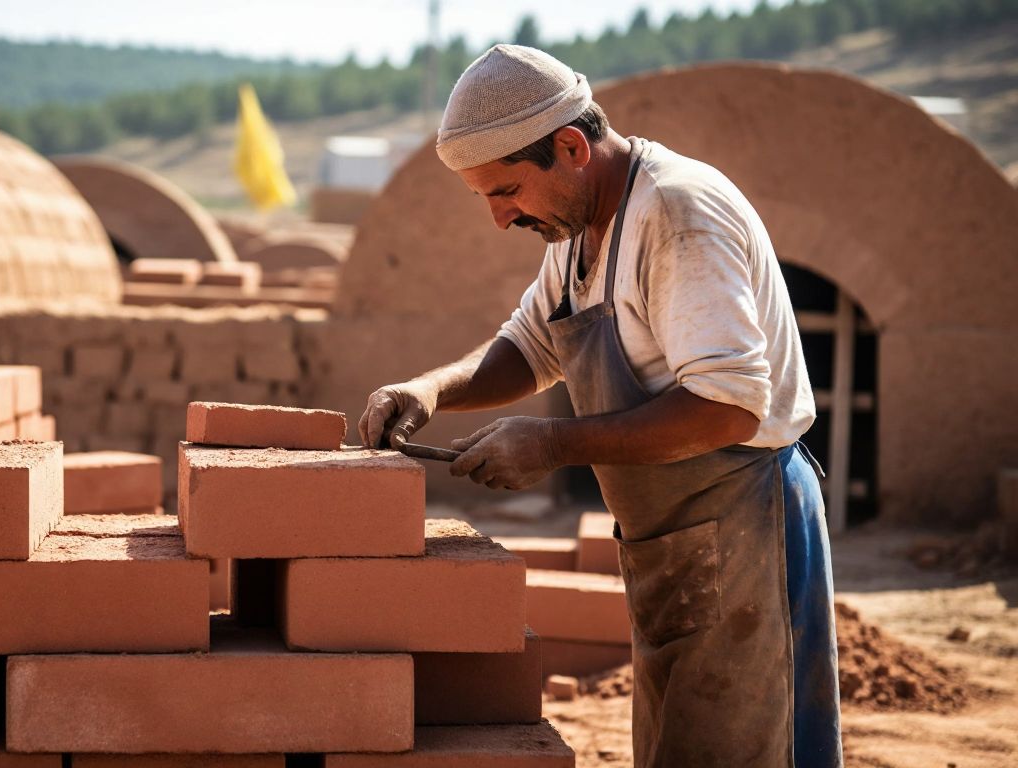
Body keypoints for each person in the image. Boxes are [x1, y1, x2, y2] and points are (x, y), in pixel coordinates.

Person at [359, 44, 842, 768]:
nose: (499, 218)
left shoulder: (676, 213)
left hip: (749, 527)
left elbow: (730, 408)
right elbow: (529, 347)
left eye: (507, 191)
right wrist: (431, 390)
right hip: (673, 543)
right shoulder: (579, 229)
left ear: (571, 146)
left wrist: (552, 446)